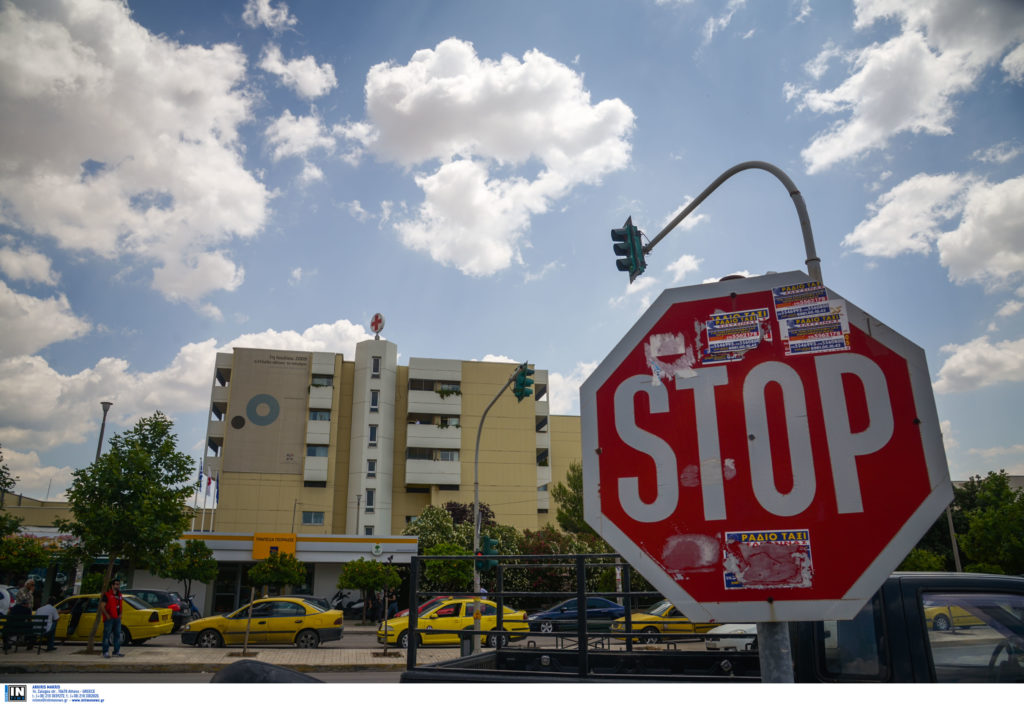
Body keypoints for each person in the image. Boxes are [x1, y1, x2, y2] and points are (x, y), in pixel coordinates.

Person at [100, 578, 124, 658]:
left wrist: (120, 614)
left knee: (117, 635)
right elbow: (102, 606)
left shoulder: (120, 595)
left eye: (118, 584)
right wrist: (107, 615)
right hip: (109, 618)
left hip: (117, 618)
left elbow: (120, 605)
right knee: (107, 635)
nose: (118, 586)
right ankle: (105, 652)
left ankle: (116, 651)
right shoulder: (107, 595)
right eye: (116, 584)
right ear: (112, 585)